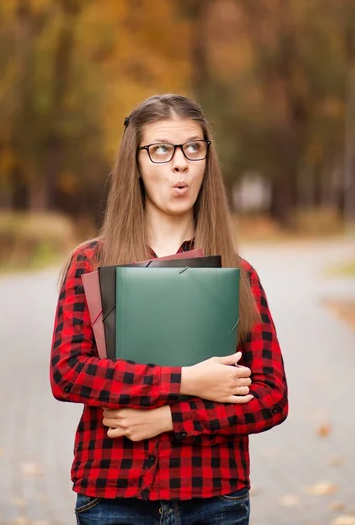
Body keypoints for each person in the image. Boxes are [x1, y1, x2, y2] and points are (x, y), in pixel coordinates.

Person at [50, 93, 289, 525]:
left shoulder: (240, 274)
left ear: (205, 162)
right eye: (161, 149)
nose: (179, 163)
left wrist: (169, 417)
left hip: (215, 499)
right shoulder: (91, 263)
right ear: (135, 163)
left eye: (192, 148)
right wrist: (188, 380)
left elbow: (271, 398)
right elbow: (68, 373)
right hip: (113, 497)